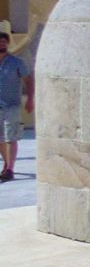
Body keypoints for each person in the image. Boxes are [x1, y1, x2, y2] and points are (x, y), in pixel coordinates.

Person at [0, 32, 33, 183]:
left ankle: (10, 169)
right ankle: (6, 165)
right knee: (1, 139)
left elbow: (28, 80)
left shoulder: (16, 62)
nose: (2, 44)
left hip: (12, 106)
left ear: (7, 44)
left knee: (10, 137)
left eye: (4, 42)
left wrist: (30, 99)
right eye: (0, 42)